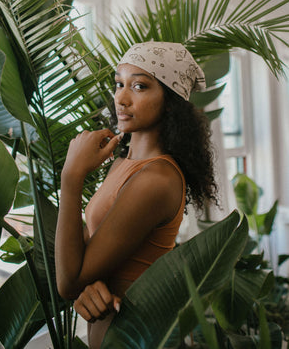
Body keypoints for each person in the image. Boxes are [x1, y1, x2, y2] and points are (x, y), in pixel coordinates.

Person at [55, 41, 219, 348]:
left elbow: (67, 282)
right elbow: (88, 259)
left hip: (142, 339)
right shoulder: (122, 163)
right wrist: (90, 283)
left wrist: (71, 176)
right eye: (119, 84)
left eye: (140, 87)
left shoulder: (155, 179)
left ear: (170, 101)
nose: (121, 98)